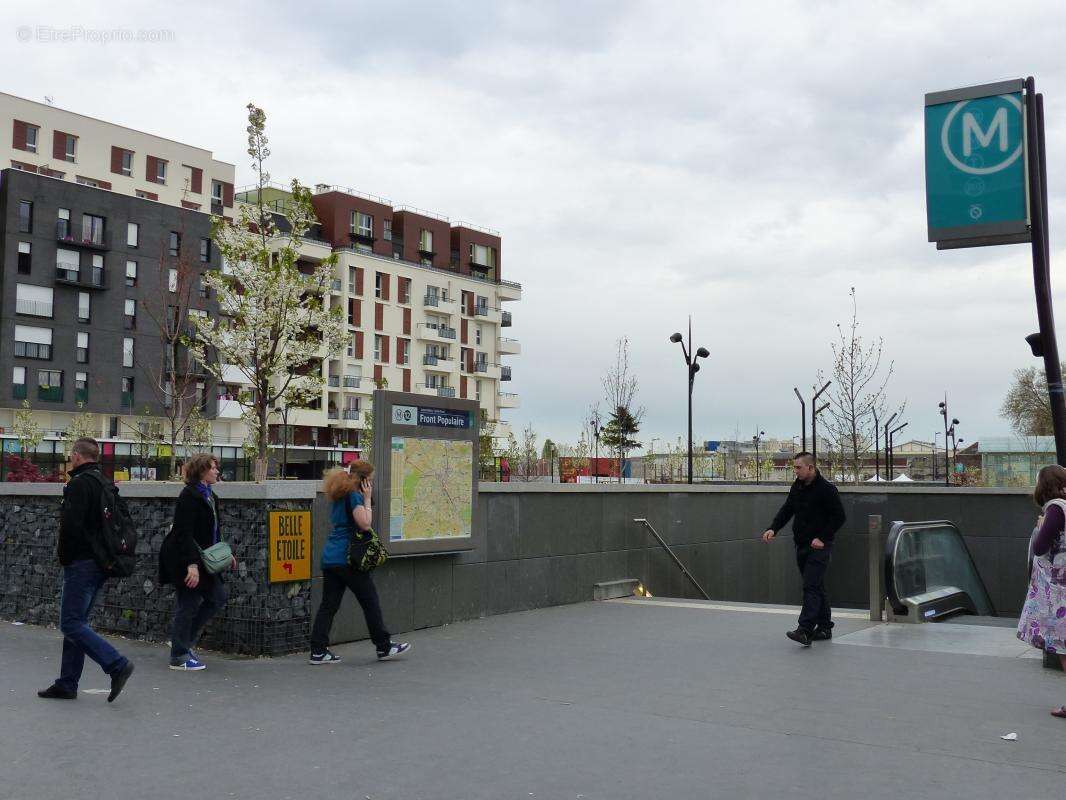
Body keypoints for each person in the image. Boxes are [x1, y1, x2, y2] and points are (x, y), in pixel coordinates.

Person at [37, 438, 135, 702]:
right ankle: (67, 683)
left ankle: (116, 664)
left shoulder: (79, 484)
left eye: (71, 455)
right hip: (102, 562)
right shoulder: (105, 483)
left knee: (70, 623)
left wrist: (64, 557)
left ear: (78, 456)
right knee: (77, 622)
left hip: (82, 562)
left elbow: (71, 526)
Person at [309, 461, 409, 664]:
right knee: (370, 601)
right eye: (370, 480)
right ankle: (384, 647)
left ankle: (318, 651)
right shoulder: (354, 496)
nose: (371, 484)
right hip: (349, 560)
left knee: (328, 606)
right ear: (363, 480)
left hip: (331, 558)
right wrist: (367, 499)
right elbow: (364, 524)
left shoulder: (339, 495)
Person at [760, 451, 846, 647]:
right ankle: (824, 627)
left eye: (798, 467)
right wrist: (773, 528)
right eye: (794, 467)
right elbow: (787, 509)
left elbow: (839, 517)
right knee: (816, 586)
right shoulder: (797, 487)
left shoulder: (827, 489)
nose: (795, 471)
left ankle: (805, 630)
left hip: (820, 546)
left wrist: (822, 538)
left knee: (810, 586)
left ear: (811, 468)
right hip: (801, 544)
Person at [158, 453, 233, 670]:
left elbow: (213, 530)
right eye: (213, 468)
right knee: (188, 603)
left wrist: (225, 553)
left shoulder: (210, 496)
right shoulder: (189, 496)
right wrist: (191, 565)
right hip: (185, 558)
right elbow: (183, 532)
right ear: (202, 471)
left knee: (217, 596)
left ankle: (183, 641)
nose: (217, 471)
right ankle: (179, 655)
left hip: (203, 558)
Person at [1017, 464, 1066, 717]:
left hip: (1060, 590)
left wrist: (1041, 525)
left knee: (1064, 646)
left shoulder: (1056, 509)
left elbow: (1040, 547)